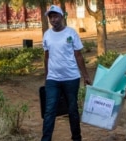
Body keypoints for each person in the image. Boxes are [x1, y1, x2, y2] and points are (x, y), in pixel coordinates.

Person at [41, 5, 91, 141]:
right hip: (53, 79)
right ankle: (45, 139)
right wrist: (46, 77)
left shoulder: (71, 33)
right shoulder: (47, 35)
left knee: (72, 110)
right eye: (51, 17)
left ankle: (76, 137)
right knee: (50, 110)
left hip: (71, 78)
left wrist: (86, 76)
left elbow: (78, 55)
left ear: (62, 17)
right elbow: (46, 56)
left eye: (56, 16)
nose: (53, 20)